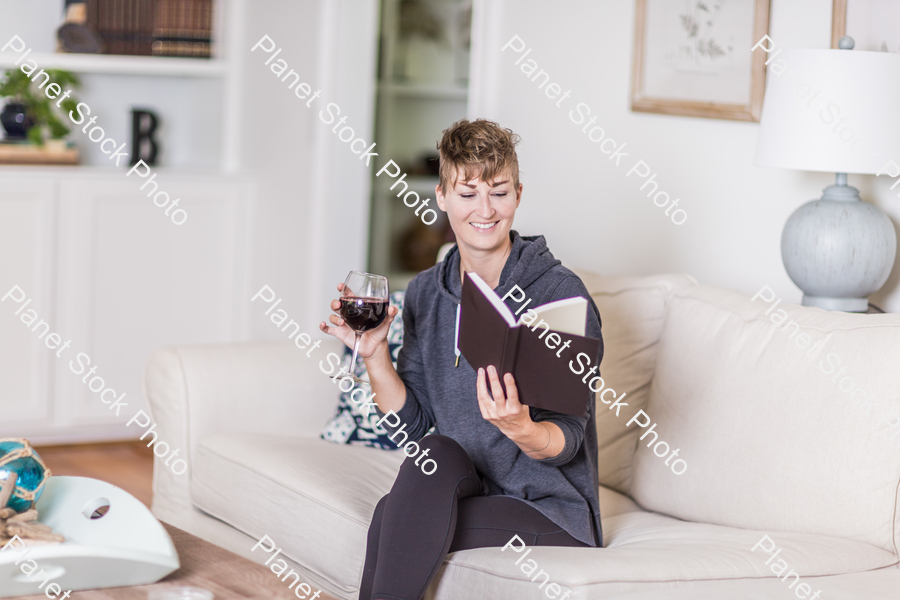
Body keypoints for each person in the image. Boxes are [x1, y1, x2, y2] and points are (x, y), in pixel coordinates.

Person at [319, 119, 603, 600]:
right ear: (442, 197)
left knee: (394, 518)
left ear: (518, 194)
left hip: (551, 511)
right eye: (468, 194)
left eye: (499, 192)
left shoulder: (560, 295)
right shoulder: (429, 290)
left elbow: (568, 442)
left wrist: (522, 428)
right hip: (470, 486)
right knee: (431, 457)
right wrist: (374, 356)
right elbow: (411, 430)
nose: (485, 211)